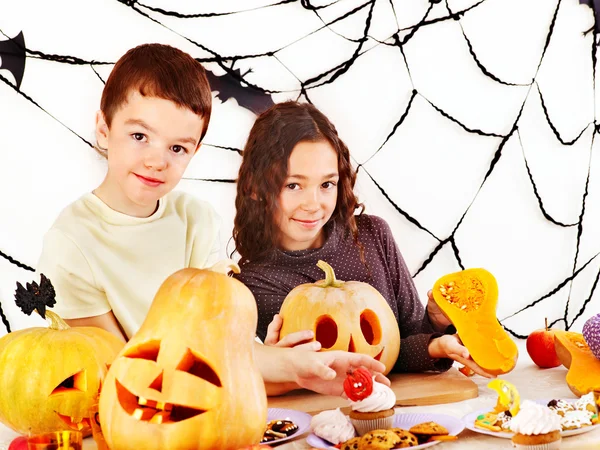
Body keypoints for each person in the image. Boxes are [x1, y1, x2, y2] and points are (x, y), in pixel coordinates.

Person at [35, 44, 388, 396]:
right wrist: (267, 367)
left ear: (195, 151)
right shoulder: (71, 243)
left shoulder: (195, 220)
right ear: (103, 128)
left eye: (177, 148)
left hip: (201, 405)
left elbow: (222, 343)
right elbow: (121, 377)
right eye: (139, 136)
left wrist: (295, 368)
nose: (157, 161)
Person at [232, 101, 495, 379]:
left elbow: (394, 347)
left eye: (326, 185)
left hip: (394, 408)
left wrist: (435, 329)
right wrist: (280, 361)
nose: (313, 204)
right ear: (254, 188)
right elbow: (325, 368)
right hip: (317, 416)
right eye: (293, 185)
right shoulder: (251, 285)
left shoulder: (372, 236)